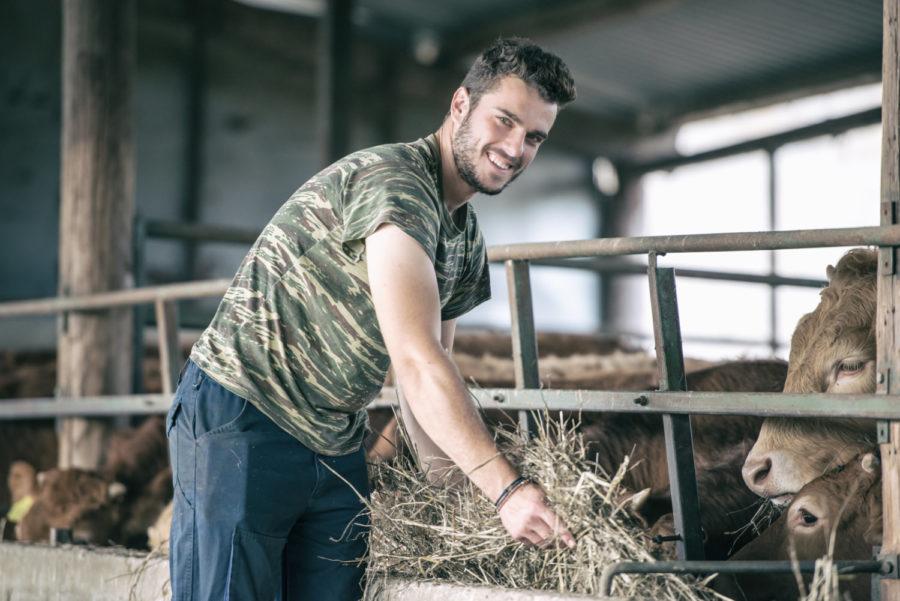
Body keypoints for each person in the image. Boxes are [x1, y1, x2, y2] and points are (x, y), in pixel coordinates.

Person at [166, 37, 577, 601]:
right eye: (504, 121)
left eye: (534, 137)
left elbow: (425, 387)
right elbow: (414, 359)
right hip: (246, 414)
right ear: (460, 104)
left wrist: (455, 508)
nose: (514, 148)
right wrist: (507, 492)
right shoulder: (398, 184)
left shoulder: (464, 238)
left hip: (333, 441)